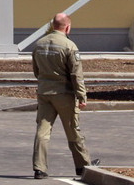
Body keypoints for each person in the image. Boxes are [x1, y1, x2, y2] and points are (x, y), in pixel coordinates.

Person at [32, 12, 96, 179]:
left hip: (44, 93)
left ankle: (39, 168)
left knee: (42, 131)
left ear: (53, 25)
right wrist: (82, 96)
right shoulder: (69, 46)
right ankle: (83, 166)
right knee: (73, 130)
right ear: (67, 27)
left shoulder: (39, 44)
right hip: (64, 94)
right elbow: (76, 75)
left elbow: (36, 71)